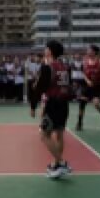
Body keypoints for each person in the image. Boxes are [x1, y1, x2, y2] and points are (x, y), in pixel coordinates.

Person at [36, 38, 74, 177]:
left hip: (52, 103)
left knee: (43, 135)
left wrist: (41, 105)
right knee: (59, 134)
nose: (44, 50)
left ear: (50, 51)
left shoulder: (49, 67)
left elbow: (42, 88)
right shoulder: (64, 66)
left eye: (46, 48)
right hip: (64, 104)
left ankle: (62, 163)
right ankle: (57, 166)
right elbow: (68, 86)